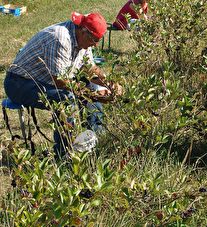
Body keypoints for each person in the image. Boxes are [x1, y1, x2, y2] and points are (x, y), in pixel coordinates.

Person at [4, 12, 121, 157]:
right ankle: (64, 153)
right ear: (83, 31)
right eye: (94, 40)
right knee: (66, 98)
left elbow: (89, 68)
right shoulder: (59, 39)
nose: (95, 45)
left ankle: (96, 138)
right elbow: (59, 81)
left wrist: (108, 83)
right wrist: (92, 95)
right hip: (19, 83)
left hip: (44, 81)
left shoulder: (84, 39)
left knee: (94, 87)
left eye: (98, 41)